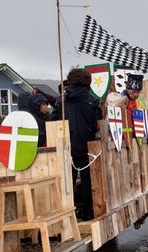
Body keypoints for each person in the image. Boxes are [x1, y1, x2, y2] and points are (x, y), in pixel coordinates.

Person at [53, 68, 102, 220]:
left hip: (66, 145)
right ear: (87, 82)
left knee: (68, 182)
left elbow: (54, 120)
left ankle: (68, 215)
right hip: (88, 145)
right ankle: (88, 212)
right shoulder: (92, 100)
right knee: (88, 181)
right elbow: (97, 124)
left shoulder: (61, 101)